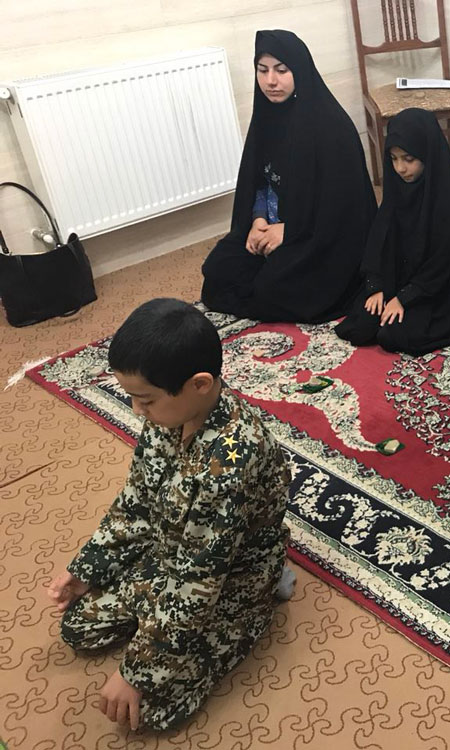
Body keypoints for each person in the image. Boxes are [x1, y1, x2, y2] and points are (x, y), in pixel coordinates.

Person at [46, 299, 290, 731]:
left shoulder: (229, 463)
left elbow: (199, 580)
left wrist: (136, 672)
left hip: (227, 578)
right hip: (171, 554)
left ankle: (259, 603)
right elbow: (136, 501)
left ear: (199, 384)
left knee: (149, 711)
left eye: (145, 400)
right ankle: (155, 622)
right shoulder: (170, 414)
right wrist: (90, 567)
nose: (137, 411)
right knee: (78, 628)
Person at [201, 30, 376, 322]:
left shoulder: (331, 127)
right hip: (272, 225)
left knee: (272, 288)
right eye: (263, 70)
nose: (271, 81)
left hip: (320, 237)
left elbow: (342, 206)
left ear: (300, 71)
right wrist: (258, 221)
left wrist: (289, 231)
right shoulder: (266, 119)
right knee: (218, 271)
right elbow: (260, 181)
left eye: (281, 70)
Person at [334, 108, 450, 354]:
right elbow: (380, 238)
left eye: (409, 159)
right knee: (359, 329)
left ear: (427, 154)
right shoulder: (397, 185)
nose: (400, 168)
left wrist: (403, 298)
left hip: (432, 288)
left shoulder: (447, 194)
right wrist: (376, 286)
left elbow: (443, 259)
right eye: (394, 159)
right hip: (395, 277)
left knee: (392, 335)